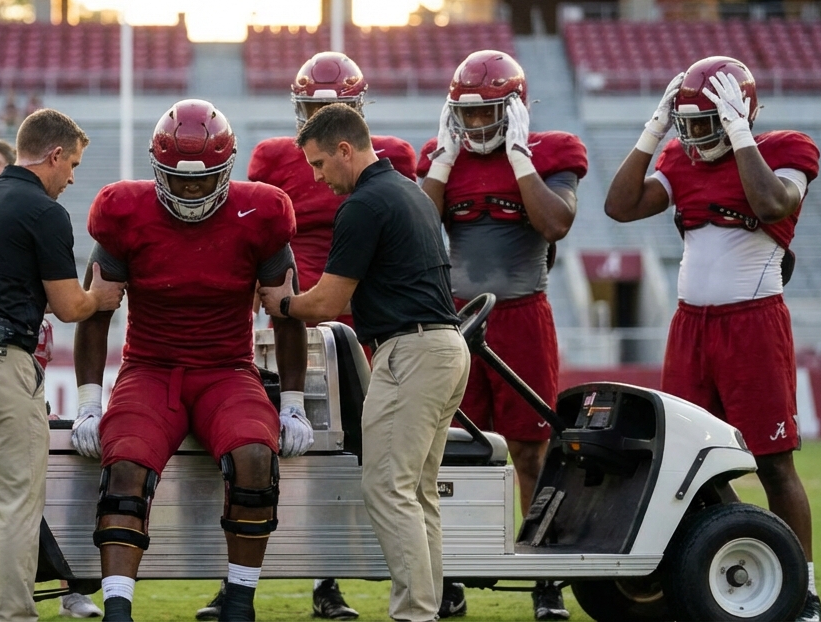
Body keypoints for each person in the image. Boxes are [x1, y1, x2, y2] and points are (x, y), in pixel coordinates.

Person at [192, 51, 413, 622]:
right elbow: (251, 236)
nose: (322, 115)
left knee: (361, 455)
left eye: (332, 106)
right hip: (286, 324)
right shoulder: (275, 157)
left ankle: (334, 578)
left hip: (358, 326)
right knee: (257, 449)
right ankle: (234, 580)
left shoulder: (385, 163)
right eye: (314, 105)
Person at [71, 99, 309, 622]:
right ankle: (117, 609)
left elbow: (286, 313)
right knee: (125, 466)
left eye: (204, 181)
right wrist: (90, 401)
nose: (191, 190)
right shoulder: (125, 210)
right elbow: (97, 310)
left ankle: (239, 603)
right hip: (150, 368)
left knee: (255, 458)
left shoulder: (261, 212)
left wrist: (292, 402)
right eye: (178, 181)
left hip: (228, 368)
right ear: (158, 170)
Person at [603, 56, 821, 622]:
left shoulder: (785, 150)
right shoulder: (679, 157)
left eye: (707, 125)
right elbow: (619, 206)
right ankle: (719, 564)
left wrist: (741, 135)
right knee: (685, 463)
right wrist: (653, 130)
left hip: (753, 323)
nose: (694, 139)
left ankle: (804, 588)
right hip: (690, 328)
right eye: (686, 126)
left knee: (774, 463)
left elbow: (775, 203)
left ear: (738, 116)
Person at [260, 104, 469, 622]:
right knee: (419, 492)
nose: (316, 176)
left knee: (388, 487)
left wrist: (282, 304)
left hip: (411, 352)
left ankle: (414, 613)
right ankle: (427, 608)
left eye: (319, 164)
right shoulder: (412, 194)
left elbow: (328, 302)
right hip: (446, 347)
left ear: (345, 151)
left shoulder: (362, 205)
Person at [0, 108, 123, 622]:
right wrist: (99, 297)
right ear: (54, 155)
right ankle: (15, 616)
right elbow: (67, 305)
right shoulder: (44, 211)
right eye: (73, 164)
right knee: (14, 503)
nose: (73, 176)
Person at [415, 50, 586, 621]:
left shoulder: (549, 152)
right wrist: (440, 164)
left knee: (533, 452)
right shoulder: (446, 159)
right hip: (454, 321)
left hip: (522, 316)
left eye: (491, 113)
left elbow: (555, 222)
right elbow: (417, 229)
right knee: (456, 452)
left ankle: (545, 577)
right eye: (469, 114)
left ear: (514, 109)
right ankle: (455, 574)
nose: (478, 125)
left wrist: (518, 157)